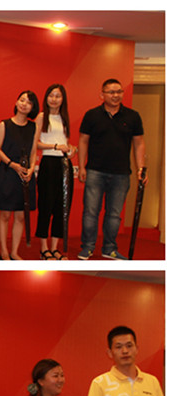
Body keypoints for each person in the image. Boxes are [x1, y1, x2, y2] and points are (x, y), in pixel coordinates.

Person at [77, 78, 147, 260]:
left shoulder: (132, 116)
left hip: (121, 173)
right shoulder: (92, 115)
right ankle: (88, 247)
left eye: (119, 92)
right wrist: (82, 166)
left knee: (114, 215)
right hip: (95, 171)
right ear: (102, 95)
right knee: (91, 212)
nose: (116, 95)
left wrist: (141, 168)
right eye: (111, 92)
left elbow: (139, 143)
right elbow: (83, 141)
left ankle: (109, 248)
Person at [0, 90, 39, 260]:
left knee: (20, 216)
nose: (24, 104)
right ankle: (4, 251)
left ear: (33, 107)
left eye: (29, 102)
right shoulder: (4, 125)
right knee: (5, 214)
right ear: (16, 102)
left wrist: (31, 169)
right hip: (8, 173)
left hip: (25, 175)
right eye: (22, 100)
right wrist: (12, 165)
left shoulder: (33, 127)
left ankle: (14, 252)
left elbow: (33, 151)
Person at [34, 84, 76, 260]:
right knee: (46, 206)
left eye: (58, 96)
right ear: (46, 98)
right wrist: (56, 146)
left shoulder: (64, 117)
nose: (54, 99)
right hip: (49, 163)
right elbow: (36, 143)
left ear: (63, 99)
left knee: (62, 207)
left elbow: (66, 142)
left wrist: (71, 149)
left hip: (64, 164)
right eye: (51, 95)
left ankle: (55, 247)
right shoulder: (41, 117)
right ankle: (44, 248)